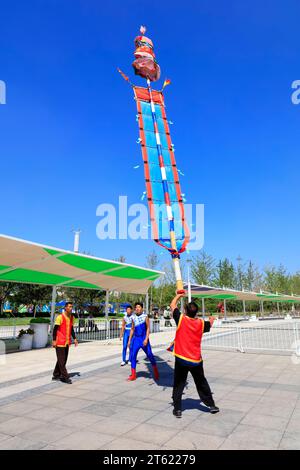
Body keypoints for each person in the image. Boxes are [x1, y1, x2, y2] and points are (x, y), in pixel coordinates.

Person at [169, 292, 219, 418]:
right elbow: (210, 324)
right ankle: (211, 405)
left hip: (181, 359)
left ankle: (178, 409)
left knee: (179, 383)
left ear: (185, 311)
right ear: (196, 312)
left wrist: (178, 295)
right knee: (201, 382)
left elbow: (172, 305)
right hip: (196, 360)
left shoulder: (181, 319)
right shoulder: (201, 323)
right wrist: (212, 319)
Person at [127, 302, 159, 381]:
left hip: (144, 339)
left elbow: (148, 328)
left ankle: (156, 372)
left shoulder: (145, 317)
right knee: (133, 356)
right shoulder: (133, 317)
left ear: (142, 308)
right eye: (136, 307)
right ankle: (133, 375)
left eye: (139, 307)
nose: (137, 309)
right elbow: (132, 329)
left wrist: (146, 339)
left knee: (150, 355)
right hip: (136, 339)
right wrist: (129, 340)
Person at [52, 301, 78, 384]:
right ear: (65, 308)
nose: (71, 308)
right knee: (62, 361)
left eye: (71, 307)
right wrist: (54, 340)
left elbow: (71, 329)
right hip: (59, 342)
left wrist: (75, 338)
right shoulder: (60, 317)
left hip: (67, 342)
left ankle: (56, 375)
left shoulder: (72, 318)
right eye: (69, 306)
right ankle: (65, 377)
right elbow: (55, 329)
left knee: (62, 359)